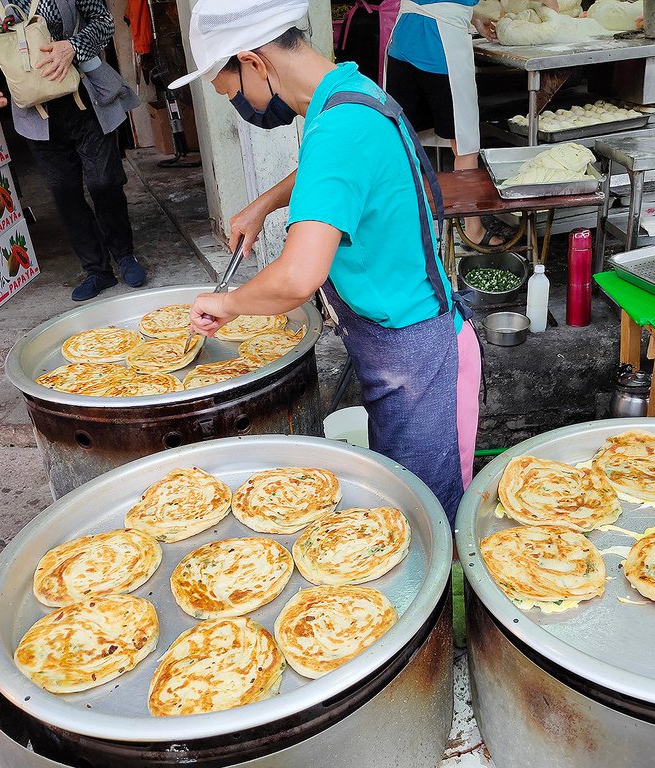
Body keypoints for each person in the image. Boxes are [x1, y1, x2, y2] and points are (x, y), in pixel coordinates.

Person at [170, 0, 481, 524]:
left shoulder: (340, 128)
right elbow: (331, 169)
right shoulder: (350, 92)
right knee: (402, 510)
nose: (240, 107)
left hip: (421, 360)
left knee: (427, 527)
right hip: (399, 347)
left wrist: (227, 304)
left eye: (232, 93)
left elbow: (297, 276)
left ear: (254, 61)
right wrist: (266, 203)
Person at [0, 0, 146, 301]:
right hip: (35, 111)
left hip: (87, 100)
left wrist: (73, 46)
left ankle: (125, 255)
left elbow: (104, 21)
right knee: (65, 191)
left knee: (105, 182)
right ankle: (97, 271)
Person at [386, 0, 557, 248]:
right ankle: (473, 231)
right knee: (464, 143)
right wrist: (550, 9)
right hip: (439, 45)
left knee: (401, 141)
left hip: (404, 39)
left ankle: (399, 231)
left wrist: (473, 16)